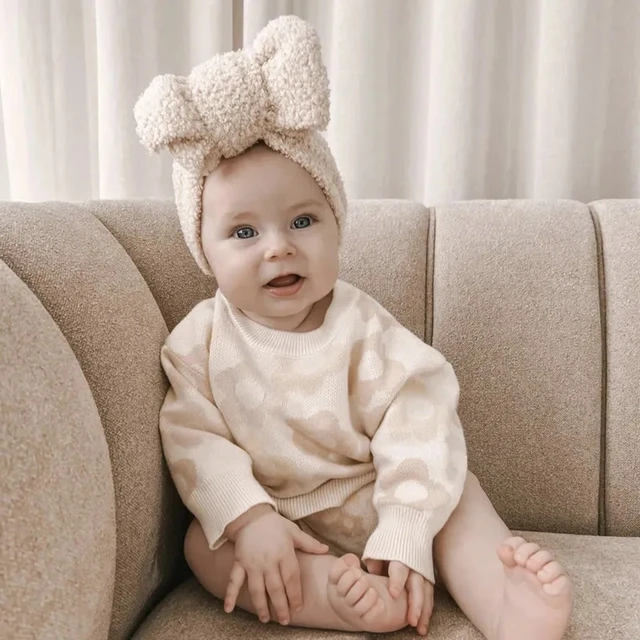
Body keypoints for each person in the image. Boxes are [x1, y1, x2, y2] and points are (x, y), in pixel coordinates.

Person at [134, 15, 573, 639]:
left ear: (338, 224)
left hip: (383, 495)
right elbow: (193, 440)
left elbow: (419, 413)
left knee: (459, 501)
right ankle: (339, 600)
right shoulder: (198, 343)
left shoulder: (361, 325)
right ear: (202, 248)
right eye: (243, 232)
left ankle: (508, 606)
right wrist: (249, 517)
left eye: (304, 221)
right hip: (281, 521)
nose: (279, 248)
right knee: (206, 551)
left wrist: (405, 526)